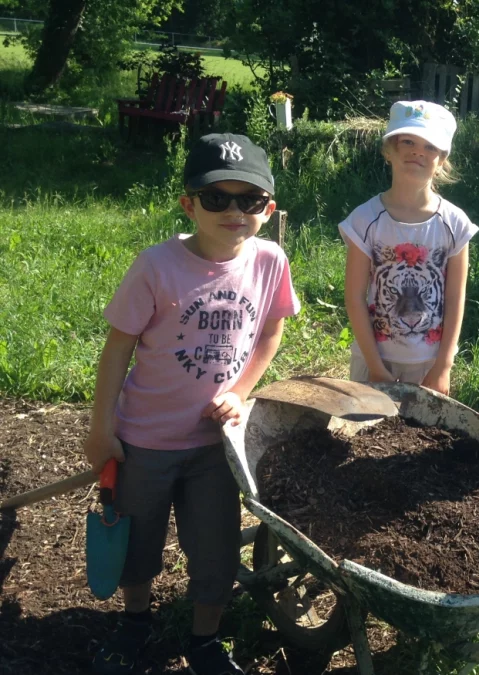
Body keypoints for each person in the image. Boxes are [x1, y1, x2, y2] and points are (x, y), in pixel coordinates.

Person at [83, 133, 301, 675]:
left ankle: (206, 639)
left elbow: (271, 329)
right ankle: (136, 623)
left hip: (215, 445)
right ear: (189, 204)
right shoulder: (157, 265)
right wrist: (101, 426)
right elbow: (118, 348)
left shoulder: (270, 260)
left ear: (267, 208)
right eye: (217, 199)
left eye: (249, 201)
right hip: (145, 440)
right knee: (138, 541)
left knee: (215, 549)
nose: (234, 212)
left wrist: (240, 391)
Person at [339, 100, 478, 395]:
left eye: (430, 146)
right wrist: (376, 369)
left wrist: (443, 366)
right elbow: (354, 296)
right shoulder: (364, 220)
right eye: (408, 141)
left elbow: (455, 298)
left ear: (442, 158)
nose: (418, 151)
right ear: (388, 149)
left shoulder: (455, 223)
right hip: (373, 360)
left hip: (428, 364)